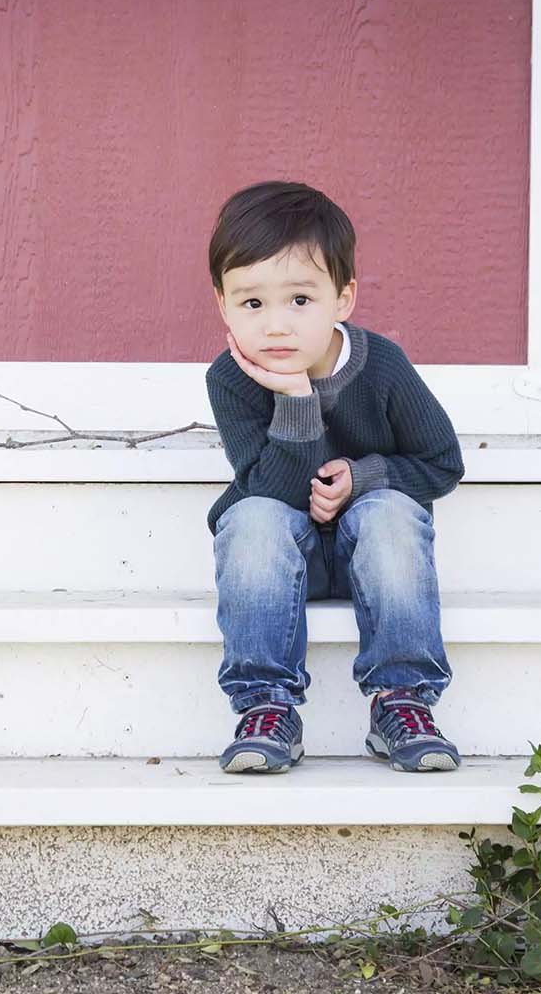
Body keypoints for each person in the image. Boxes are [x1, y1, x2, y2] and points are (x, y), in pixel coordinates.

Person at [204, 180, 466, 774]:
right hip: (280, 556)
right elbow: (265, 489)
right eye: (252, 304)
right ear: (223, 305)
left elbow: (442, 463)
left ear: (342, 298)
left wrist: (365, 478)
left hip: (372, 555)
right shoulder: (231, 378)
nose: (276, 326)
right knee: (250, 518)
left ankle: (402, 698)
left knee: (393, 509)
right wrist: (295, 398)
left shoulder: (382, 366)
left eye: (300, 300)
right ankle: (267, 706)